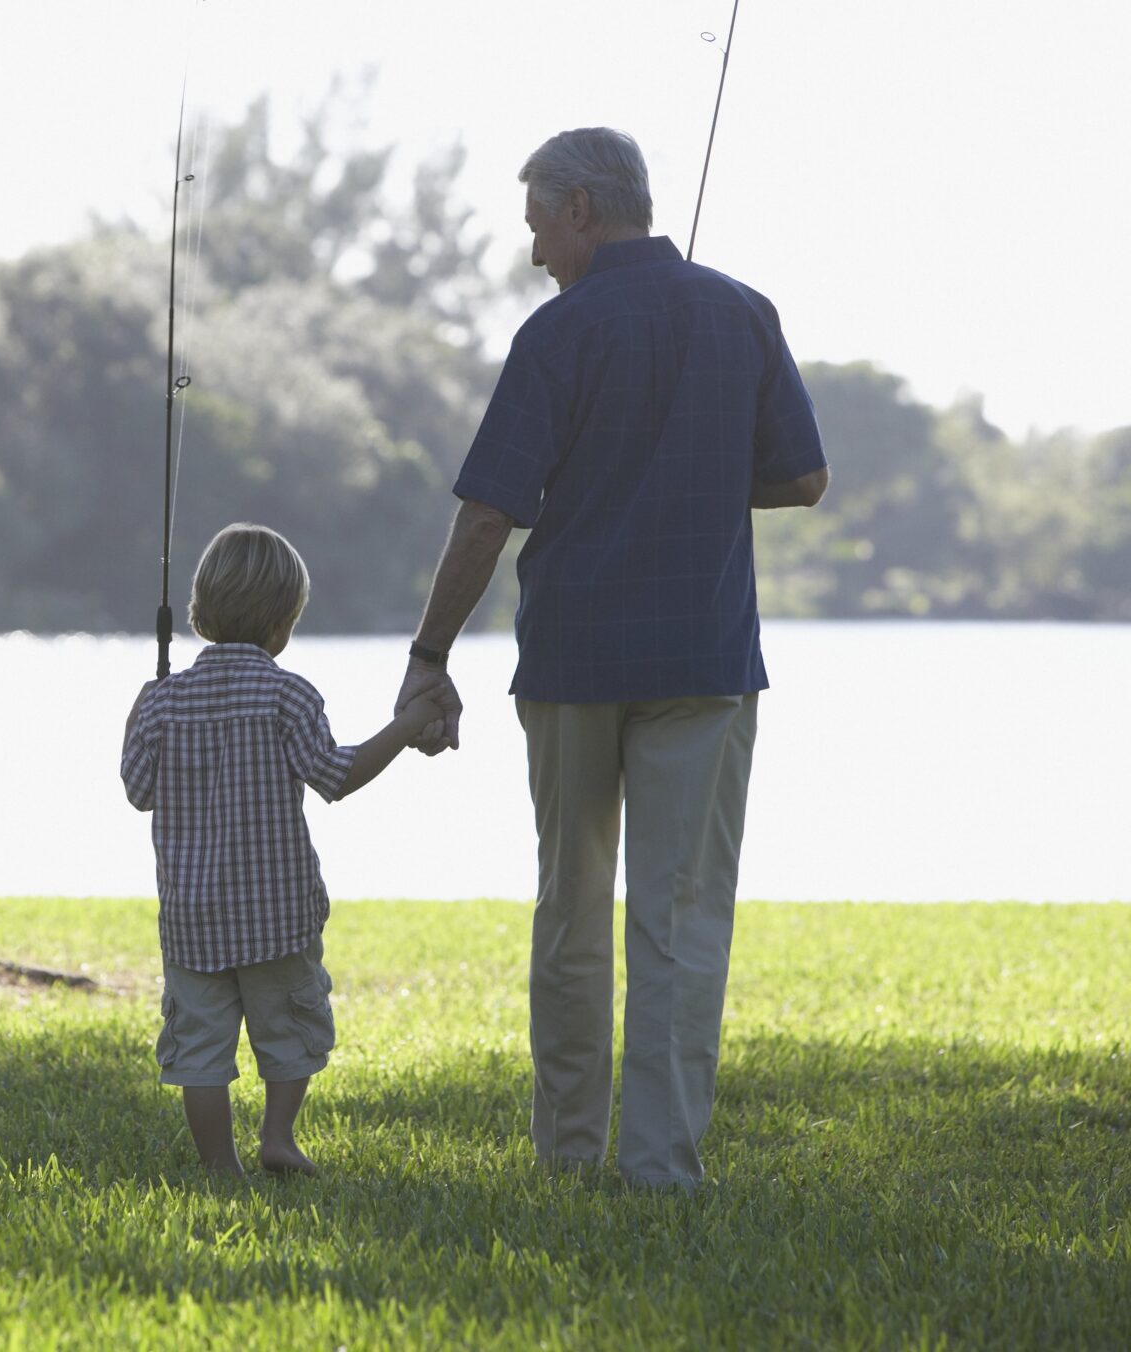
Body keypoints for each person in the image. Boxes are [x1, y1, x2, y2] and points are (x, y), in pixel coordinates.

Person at [395, 128, 830, 1191]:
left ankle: (568, 1155)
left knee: (572, 909)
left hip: (573, 660)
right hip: (704, 658)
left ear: (582, 209)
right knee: (681, 920)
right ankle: (661, 1166)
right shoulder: (744, 311)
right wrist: (699, 468)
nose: (536, 251)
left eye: (539, 226)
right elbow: (804, 479)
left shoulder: (560, 331)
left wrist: (430, 653)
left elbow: (488, 515)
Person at [122, 522, 444, 1179]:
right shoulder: (287, 694)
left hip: (192, 923)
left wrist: (140, 707)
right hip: (277, 917)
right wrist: (407, 726)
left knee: (199, 1053)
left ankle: (221, 1166)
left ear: (200, 612)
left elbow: (138, 789)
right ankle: (278, 1137)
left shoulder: (165, 700)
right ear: (280, 625)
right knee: (291, 1033)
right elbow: (336, 775)